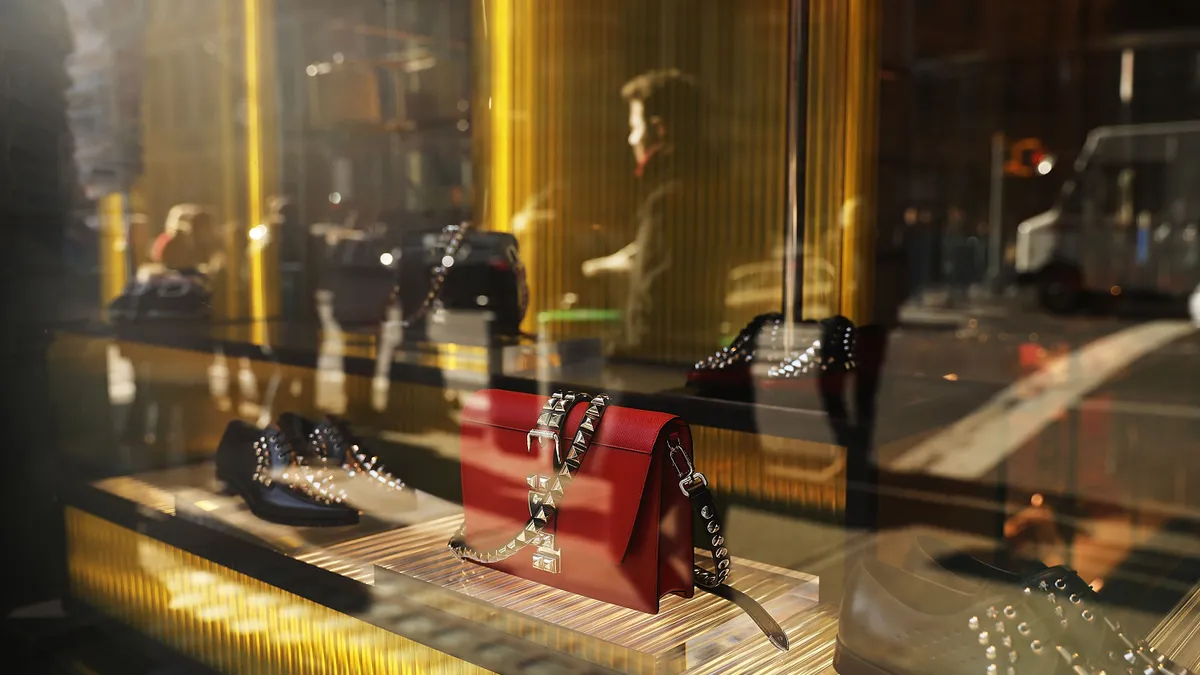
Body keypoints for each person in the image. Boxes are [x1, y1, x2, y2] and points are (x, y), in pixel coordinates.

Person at [582, 69, 715, 357]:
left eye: (635, 126)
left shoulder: (668, 201)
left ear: (660, 129)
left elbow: (653, 312)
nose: (632, 139)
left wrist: (612, 353)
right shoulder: (707, 188)